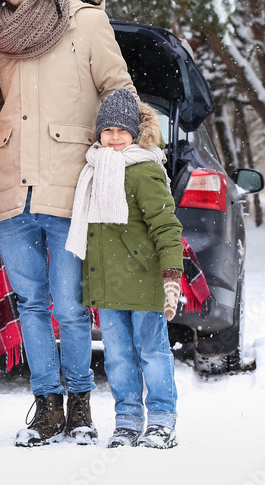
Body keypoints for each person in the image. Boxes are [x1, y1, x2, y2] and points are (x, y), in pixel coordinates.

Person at [0, 0, 135, 446]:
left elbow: (119, 87)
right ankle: (46, 407)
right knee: (31, 305)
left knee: (70, 306)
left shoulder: (83, 20)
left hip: (69, 183)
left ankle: (81, 407)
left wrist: (124, 141)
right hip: (10, 185)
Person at [66, 89, 182, 449]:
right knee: (117, 357)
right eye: (107, 131)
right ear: (98, 133)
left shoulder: (145, 170)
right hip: (109, 284)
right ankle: (128, 419)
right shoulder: (91, 170)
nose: (114, 138)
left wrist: (171, 275)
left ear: (135, 133)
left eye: (122, 131)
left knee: (152, 352)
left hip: (144, 281)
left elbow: (166, 226)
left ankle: (162, 419)